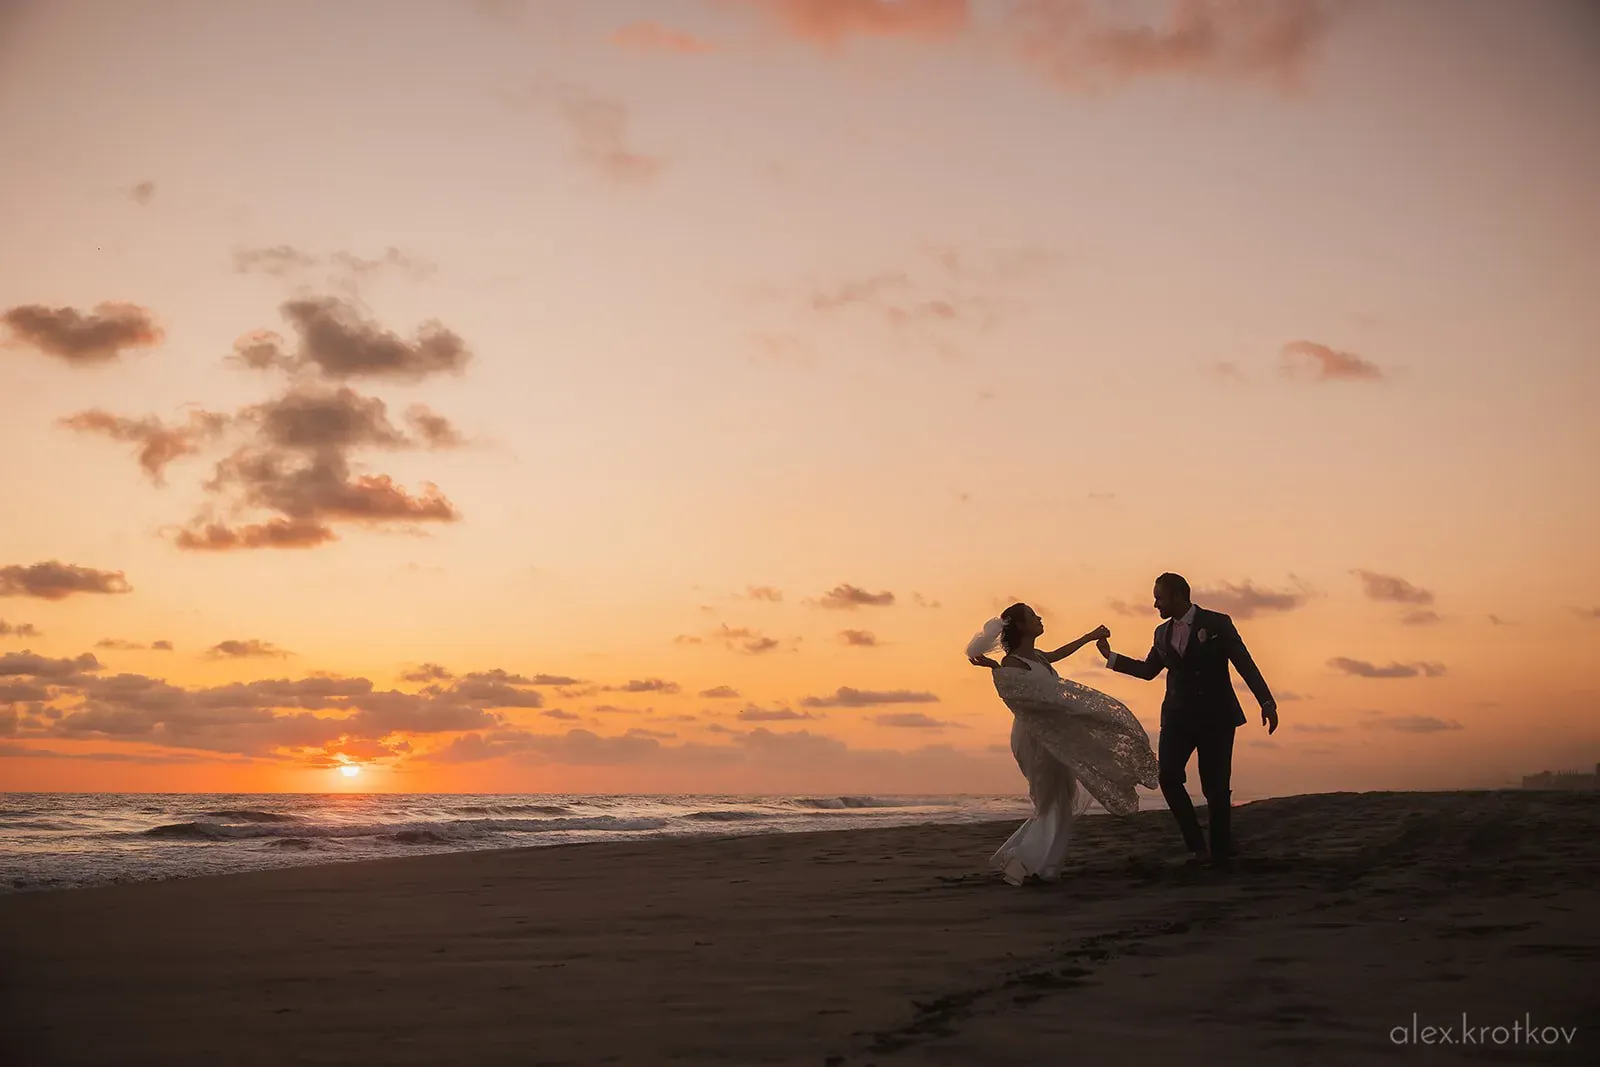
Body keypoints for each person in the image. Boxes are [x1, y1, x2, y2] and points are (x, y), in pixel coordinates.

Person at [967, 603, 1159, 885]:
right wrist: (995, 667)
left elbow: (1060, 654)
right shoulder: (1011, 664)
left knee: (1061, 798)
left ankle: (1036, 863)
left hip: (1056, 735)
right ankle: (1032, 864)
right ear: (1021, 626)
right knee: (1050, 800)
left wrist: (1089, 637)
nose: (1040, 618)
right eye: (1033, 616)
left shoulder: (1038, 658)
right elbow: (1017, 694)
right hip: (1035, 738)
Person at [1098, 572, 1277, 867]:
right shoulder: (1161, 633)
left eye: (1160, 598)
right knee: (1168, 777)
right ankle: (1197, 846)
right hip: (1176, 719)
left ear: (1178, 596)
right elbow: (1148, 671)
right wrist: (1111, 657)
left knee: (1216, 787)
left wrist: (1266, 701)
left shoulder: (1218, 623)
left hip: (1216, 717)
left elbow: (1244, 662)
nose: (1155, 604)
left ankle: (1219, 851)